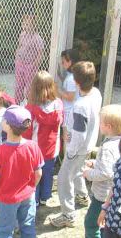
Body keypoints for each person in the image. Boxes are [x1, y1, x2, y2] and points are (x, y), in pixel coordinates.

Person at [50, 61, 102, 228]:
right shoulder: (96, 93)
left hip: (78, 148)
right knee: (78, 171)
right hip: (88, 145)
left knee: (64, 179)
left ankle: (68, 215)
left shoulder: (80, 106)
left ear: (77, 82)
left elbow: (79, 134)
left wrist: (70, 150)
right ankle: (83, 197)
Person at [0, 105, 44, 238]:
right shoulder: (33, 146)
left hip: (7, 199)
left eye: (4, 119)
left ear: (8, 125)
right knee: (28, 227)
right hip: (28, 196)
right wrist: (31, 188)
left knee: (5, 231)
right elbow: (39, 173)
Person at [83, 104, 121, 238]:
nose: (99, 125)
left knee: (91, 223)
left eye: (101, 122)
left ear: (108, 126)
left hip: (103, 195)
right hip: (115, 193)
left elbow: (106, 172)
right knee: (107, 223)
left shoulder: (107, 147)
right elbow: (112, 165)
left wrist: (88, 174)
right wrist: (95, 163)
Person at [23, 71, 63, 206]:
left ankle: (34, 198)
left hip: (35, 149)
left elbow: (27, 132)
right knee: (48, 172)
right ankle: (45, 196)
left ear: (34, 88)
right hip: (53, 148)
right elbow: (61, 123)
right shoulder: (58, 104)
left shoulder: (30, 108)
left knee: (35, 174)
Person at [14, 14, 44, 104]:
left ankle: (29, 102)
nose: (24, 26)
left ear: (33, 26)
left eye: (27, 24)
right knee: (19, 83)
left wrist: (34, 64)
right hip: (20, 62)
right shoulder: (22, 35)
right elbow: (19, 46)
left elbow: (40, 53)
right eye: (24, 24)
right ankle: (17, 102)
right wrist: (16, 58)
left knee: (29, 85)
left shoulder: (37, 38)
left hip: (30, 65)